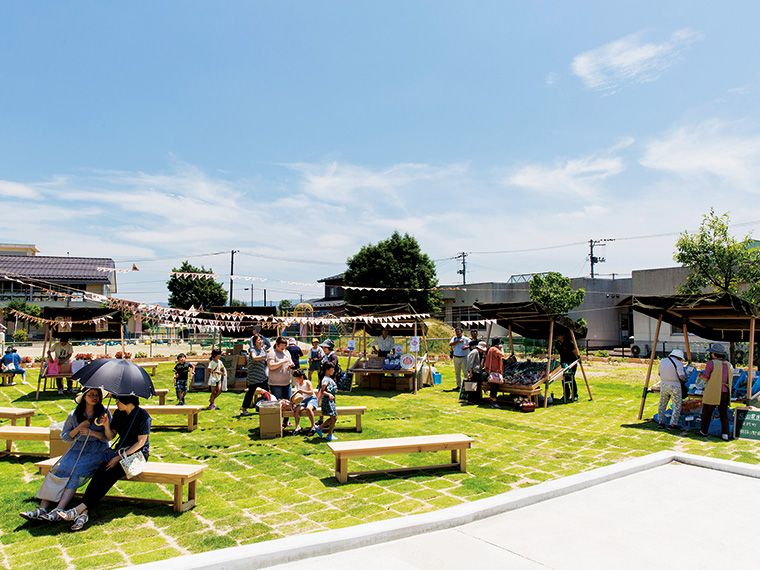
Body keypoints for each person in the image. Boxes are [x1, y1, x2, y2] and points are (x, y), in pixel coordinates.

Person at [58, 395, 151, 531]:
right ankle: (83, 511)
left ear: (127, 401)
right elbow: (111, 436)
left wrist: (118, 458)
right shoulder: (119, 413)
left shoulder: (143, 416)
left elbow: (140, 442)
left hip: (136, 455)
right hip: (119, 451)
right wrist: (106, 425)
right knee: (101, 471)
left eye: (118, 401)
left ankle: (80, 509)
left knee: (110, 474)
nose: (116, 403)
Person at [19, 388, 111, 522]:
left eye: (97, 395)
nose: (94, 397)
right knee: (60, 469)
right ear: (84, 397)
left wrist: (93, 433)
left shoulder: (104, 414)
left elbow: (108, 438)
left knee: (76, 471)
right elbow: (66, 437)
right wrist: (79, 428)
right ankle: (42, 508)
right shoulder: (74, 415)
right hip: (76, 448)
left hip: (96, 450)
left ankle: (59, 509)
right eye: (91, 395)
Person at [699, 344, 733, 440]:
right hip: (726, 392)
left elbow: (705, 377)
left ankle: (704, 431)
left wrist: (700, 375)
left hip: (713, 390)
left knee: (707, 413)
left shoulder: (711, 363)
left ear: (714, 354)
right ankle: (725, 434)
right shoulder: (729, 364)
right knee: (724, 414)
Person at [268, 337, 294, 427]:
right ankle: (277, 422)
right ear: (277, 344)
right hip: (276, 384)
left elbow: (290, 361)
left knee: (288, 403)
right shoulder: (272, 353)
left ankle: (286, 421)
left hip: (287, 382)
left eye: (285, 345)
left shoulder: (287, 352)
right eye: (281, 345)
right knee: (278, 404)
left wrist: (291, 365)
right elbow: (271, 366)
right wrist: (282, 362)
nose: (283, 347)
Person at [657, 349, 687, 430]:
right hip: (675, 386)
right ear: (678, 357)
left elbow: (659, 372)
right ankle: (672, 424)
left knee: (662, 404)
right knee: (676, 405)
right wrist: (685, 379)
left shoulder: (663, 361)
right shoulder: (678, 363)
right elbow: (681, 375)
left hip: (663, 384)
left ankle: (660, 422)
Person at [240, 334, 268, 416]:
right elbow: (255, 358)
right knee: (250, 393)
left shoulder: (263, 349)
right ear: (254, 342)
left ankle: (267, 407)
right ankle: (244, 409)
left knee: (267, 392)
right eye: (258, 340)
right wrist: (264, 356)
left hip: (262, 375)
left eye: (261, 340)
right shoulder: (253, 350)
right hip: (253, 376)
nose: (261, 341)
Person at [554, 331, 580, 402]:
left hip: (571, 362)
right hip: (563, 363)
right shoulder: (558, 344)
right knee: (563, 379)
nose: (557, 336)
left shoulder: (569, 343)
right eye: (556, 335)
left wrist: (578, 359)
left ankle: (575, 395)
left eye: (558, 335)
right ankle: (566, 394)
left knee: (571, 378)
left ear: (563, 336)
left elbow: (575, 352)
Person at [316, 362, 338, 441]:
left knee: (334, 417)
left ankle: (321, 428)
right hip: (328, 400)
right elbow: (322, 391)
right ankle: (329, 435)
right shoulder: (325, 379)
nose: (333, 371)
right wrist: (329, 395)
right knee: (334, 417)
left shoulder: (329, 378)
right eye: (332, 369)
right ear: (327, 370)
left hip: (331, 400)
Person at [292, 370, 318, 435]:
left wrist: (303, 391)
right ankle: (297, 426)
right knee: (297, 410)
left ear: (301, 377)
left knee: (308, 408)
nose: (296, 380)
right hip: (304, 401)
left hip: (312, 399)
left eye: (297, 378)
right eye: (295, 379)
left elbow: (311, 392)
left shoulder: (307, 382)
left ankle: (313, 426)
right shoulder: (298, 385)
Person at [484, 338, 505, 409]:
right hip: (494, 371)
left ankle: (491, 401)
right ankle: (494, 402)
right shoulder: (495, 349)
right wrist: (502, 348)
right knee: (494, 387)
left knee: (493, 387)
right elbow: (502, 355)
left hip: (490, 371)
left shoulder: (490, 349)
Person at [448, 327, 469, 391]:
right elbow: (450, 344)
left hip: (463, 357)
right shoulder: (454, 338)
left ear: (461, 332)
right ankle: (459, 386)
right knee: (457, 373)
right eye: (456, 332)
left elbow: (471, 345)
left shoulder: (466, 339)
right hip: (456, 357)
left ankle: (467, 386)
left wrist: (466, 347)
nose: (457, 333)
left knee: (465, 372)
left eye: (458, 332)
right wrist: (457, 341)